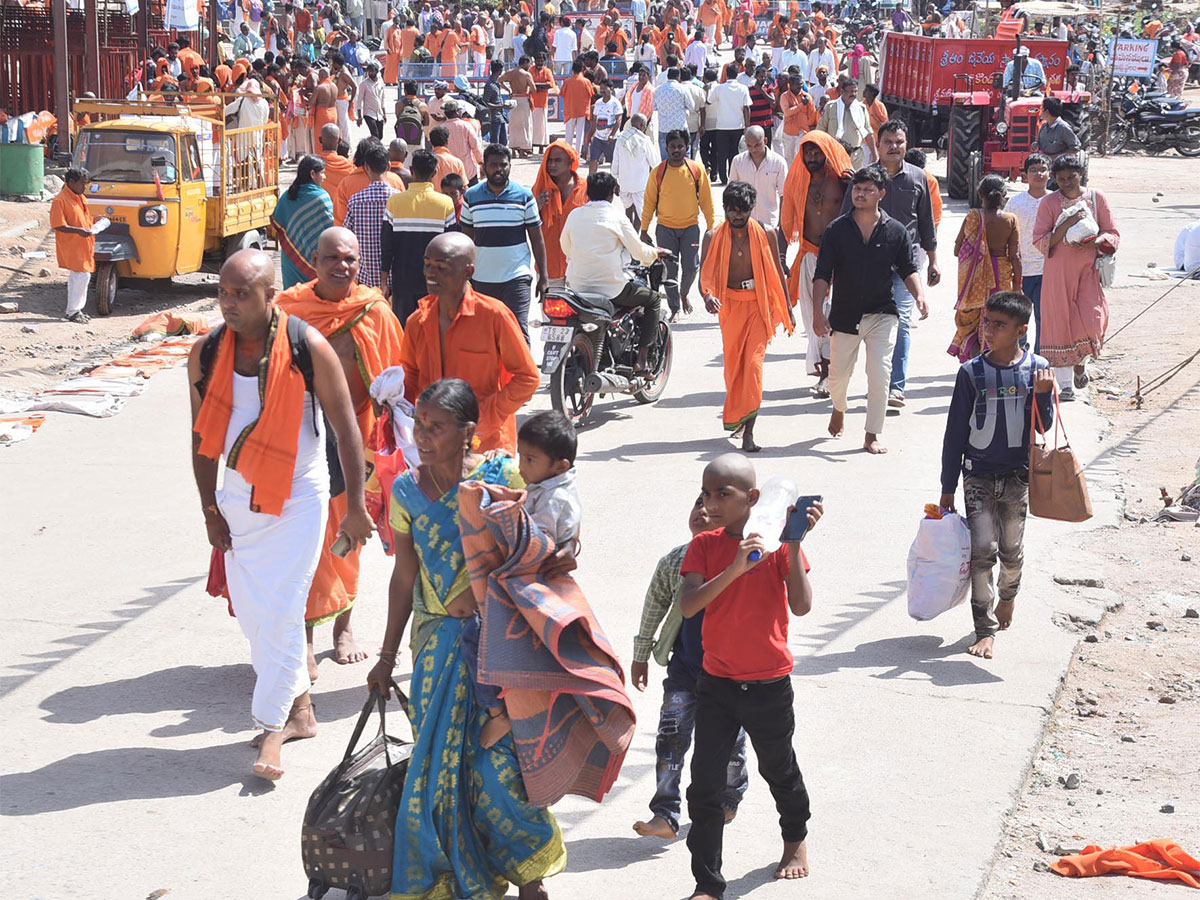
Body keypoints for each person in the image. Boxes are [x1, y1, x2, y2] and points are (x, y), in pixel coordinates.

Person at [366, 379, 566, 900]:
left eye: (437, 427)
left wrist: (565, 546)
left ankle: (530, 875)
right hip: (436, 644)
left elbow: (549, 516)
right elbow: (403, 577)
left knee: (501, 766)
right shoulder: (406, 491)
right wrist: (386, 656)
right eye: (420, 425)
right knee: (440, 768)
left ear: (468, 431)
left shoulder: (502, 474)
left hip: (498, 643)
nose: (424, 436)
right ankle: (452, 877)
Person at [189, 249, 373, 779]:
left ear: (272, 295)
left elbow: (346, 431)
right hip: (238, 501)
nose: (229, 303)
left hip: (299, 499)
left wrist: (357, 507)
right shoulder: (205, 352)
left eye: (242, 293)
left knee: (285, 609)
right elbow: (202, 441)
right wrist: (209, 510)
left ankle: (273, 728)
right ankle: (303, 713)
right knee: (254, 616)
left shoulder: (307, 346)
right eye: (223, 292)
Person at [679, 453, 815, 900]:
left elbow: (801, 605)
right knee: (705, 782)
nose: (712, 502)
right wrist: (735, 567)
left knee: (779, 768)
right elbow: (689, 605)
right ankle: (707, 883)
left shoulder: (774, 544)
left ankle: (795, 838)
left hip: (769, 684)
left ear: (753, 498)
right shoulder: (705, 545)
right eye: (706, 492)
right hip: (717, 683)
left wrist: (792, 545)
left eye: (724, 493)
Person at [274, 227, 405, 676]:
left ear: (359, 263)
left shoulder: (374, 312)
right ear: (314, 260)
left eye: (349, 258)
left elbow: (397, 379)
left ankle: (343, 628)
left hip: (359, 436)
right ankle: (303, 637)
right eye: (332, 257)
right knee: (304, 538)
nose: (341, 266)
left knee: (352, 534)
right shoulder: (289, 309)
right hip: (303, 435)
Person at [939, 291, 1055, 660]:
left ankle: (1008, 598)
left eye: (999, 325)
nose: (988, 330)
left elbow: (1045, 425)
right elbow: (955, 432)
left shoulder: (1038, 368)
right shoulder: (970, 373)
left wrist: (1042, 394)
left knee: (1012, 552)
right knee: (981, 555)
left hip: (1018, 477)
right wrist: (947, 486)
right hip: (977, 476)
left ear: (1021, 330)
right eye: (987, 322)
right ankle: (984, 628)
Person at [630, 493, 751, 841]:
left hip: (729, 675)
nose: (702, 511)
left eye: (712, 507)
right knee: (671, 738)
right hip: (684, 671)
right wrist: (641, 653)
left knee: (730, 745)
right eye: (697, 503)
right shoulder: (675, 560)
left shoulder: (743, 561)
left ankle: (730, 795)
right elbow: (654, 604)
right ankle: (665, 813)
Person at [813, 165, 926, 455]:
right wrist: (817, 313)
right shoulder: (836, 231)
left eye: (867, 190)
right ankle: (839, 407)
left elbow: (907, 268)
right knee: (838, 377)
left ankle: (871, 434)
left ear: (881, 194)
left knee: (880, 374)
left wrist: (920, 295)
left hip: (882, 314)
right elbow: (823, 274)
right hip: (845, 315)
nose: (860, 194)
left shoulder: (896, 231)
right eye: (857, 189)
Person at [399, 233, 540, 452]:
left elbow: (527, 378)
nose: (430, 273)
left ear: (468, 272)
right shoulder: (417, 321)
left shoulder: (494, 315)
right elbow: (410, 376)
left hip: (486, 446)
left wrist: (485, 416)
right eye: (427, 264)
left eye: (441, 267)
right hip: (433, 448)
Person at [699, 181, 792, 452]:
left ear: (752, 209)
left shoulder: (767, 233)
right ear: (725, 209)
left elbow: (777, 271)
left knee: (752, 367)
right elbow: (704, 277)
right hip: (730, 307)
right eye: (732, 210)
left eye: (743, 211)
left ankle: (750, 431)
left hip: (759, 306)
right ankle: (740, 416)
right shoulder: (712, 236)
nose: (738, 216)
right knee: (733, 370)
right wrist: (707, 297)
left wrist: (786, 308)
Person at [851, 120, 938, 409]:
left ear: (906, 144)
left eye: (899, 142)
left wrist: (933, 261)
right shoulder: (866, 178)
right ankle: (878, 382)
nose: (894, 147)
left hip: (905, 265)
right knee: (871, 327)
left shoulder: (917, 177)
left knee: (900, 323)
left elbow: (925, 222)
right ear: (878, 144)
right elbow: (845, 221)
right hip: (869, 265)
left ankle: (895, 387)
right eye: (888, 141)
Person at [561, 172, 670, 369]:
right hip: (611, 290)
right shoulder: (616, 217)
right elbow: (639, 252)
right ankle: (643, 357)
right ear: (612, 194)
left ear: (588, 193)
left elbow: (565, 247)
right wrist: (655, 253)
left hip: (577, 288)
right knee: (653, 299)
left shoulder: (574, 215)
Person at [1032, 154, 1119, 400]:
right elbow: (1040, 240)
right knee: (1060, 323)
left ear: (1081, 174)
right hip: (1057, 272)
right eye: (1061, 179)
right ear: (1054, 179)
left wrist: (1096, 241)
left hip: (1087, 270)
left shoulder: (1095, 197)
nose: (1067, 182)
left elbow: (1112, 233)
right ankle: (1066, 385)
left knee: (1094, 318)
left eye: (1072, 177)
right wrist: (1069, 222)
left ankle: (1081, 361)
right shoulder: (1049, 203)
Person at [779, 132, 851, 396]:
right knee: (812, 318)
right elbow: (785, 222)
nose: (811, 157)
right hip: (809, 256)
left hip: (840, 258)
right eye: (807, 152)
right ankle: (824, 372)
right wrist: (780, 258)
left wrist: (853, 187)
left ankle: (831, 373)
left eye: (816, 151)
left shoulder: (843, 181)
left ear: (826, 151)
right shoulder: (797, 181)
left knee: (834, 315)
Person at [460, 144, 548, 341]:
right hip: (481, 279)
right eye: (493, 165)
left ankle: (524, 373)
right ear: (485, 167)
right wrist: (463, 276)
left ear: (510, 166)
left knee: (517, 334)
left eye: (503, 165)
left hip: (516, 278)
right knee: (483, 337)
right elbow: (465, 240)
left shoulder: (525, 197)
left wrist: (544, 276)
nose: (498, 169)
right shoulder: (471, 197)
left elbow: (537, 238)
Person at [641, 129, 715, 322]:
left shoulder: (696, 170)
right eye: (672, 146)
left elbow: (706, 200)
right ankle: (675, 308)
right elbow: (649, 201)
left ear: (686, 147)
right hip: (665, 229)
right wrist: (644, 228)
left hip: (690, 228)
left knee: (691, 268)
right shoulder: (658, 172)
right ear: (666, 148)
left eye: (680, 146)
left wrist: (711, 226)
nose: (676, 150)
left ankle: (684, 293)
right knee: (670, 271)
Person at [949, 175, 1021, 362]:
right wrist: (1018, 286)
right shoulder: (1010, 219)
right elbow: (1015, 256)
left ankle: (976, 365)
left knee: (973, 324)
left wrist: (978, 255)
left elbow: (958, 250)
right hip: (1002, 277)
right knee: (998, 321)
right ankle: (996, 362)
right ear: (1004, 195)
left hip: (974, 281)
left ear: (980, 194)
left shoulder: (973, 217)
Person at [382, 148, 458, 324]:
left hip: (402, 279)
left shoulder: (394, 202)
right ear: (434, 173)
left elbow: (387, 245)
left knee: (403, 329)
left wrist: (384, 280)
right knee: (432, 328)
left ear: (411, 170)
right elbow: (452, 245)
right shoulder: (445, 203)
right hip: (434, 280)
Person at [1005, 153, 1050, 354]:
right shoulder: (1015, 203)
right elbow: (1006, 233)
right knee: (1019, 316)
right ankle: (1019, 353)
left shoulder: (1055, 202)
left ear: (1050, 174)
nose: (1038, 174)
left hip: (1047, 269)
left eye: (1042, 170)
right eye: (1033, 170)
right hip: (1021, 270)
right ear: (1025, 174)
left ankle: (1040, 357)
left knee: (1044, 317)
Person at [271, 154, 335, 289]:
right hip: (315, 260)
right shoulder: (322, 197)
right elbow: (331, 229)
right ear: (313, 174)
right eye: (322, 173)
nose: (324, 177)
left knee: (293, 300)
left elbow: (277, 222)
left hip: (290, 258)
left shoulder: (287, 195)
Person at [343, 143, 402, 289]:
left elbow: (346, 237)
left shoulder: (355, 201)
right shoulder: (399, 199)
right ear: (388, 166)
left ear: (366, 168)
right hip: (395, 277)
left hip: (365, 277)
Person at [533, 140, 589, 287]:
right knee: (551, 309)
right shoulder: (540, 189)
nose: (552, 165)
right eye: (549, 161)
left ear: (570, 162)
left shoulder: (586, 188)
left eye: (557, 160)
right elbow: (528, 226)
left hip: (579, 267)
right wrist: (536, 207)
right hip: (550, 267)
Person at [49, 167, 98, 325]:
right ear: (70, 182)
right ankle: (73, 311)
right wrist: (79, 231)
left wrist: (96, 221)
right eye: (82, 183)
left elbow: (84, 218)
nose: (85, 187)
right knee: (80, 276)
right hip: (72, 244)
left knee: (81, 277)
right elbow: (58, 225)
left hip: (83, 244)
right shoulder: (60, 200)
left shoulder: (80, 197)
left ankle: (75, 310)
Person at [727, 126, 788, 230]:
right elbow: (730, 194)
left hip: (769, 224)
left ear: (765, 140)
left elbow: (785, 195)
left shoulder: (778, 163)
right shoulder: (738, 162)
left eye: (757, 145)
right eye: (749, 146)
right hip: (743, 225)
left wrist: (780, 226)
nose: (753, 149)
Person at [704, 63, 751, 184]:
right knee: (734, 153)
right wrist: (747, 125)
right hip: (737, 126)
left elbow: (709, 102)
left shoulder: (719, 88)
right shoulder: (743, 88)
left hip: (722, 126)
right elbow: (747, 108)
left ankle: (723, 178)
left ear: (726, 74)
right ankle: (733, 176)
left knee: (722, 153)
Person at [817, 75, 872, 168]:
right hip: (834, 154)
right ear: (842, 91)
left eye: (855, 91)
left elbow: (867, 132)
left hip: (855, 156)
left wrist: (875, 154)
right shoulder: (830, 107)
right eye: (850, 91)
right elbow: (821, 129)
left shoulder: (861, 109)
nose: (853, 94)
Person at [653, 67, 696, 159]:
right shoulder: (682, 89)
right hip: (680, 127)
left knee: (665, 157)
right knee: (685, 155)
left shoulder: (658, 90)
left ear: (668, 76)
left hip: (664, 127)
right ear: (678, 76)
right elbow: (691, 106)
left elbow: (654, 107)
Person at [500, 56, 537, 156]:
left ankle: (513, 150)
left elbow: (500, 80)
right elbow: (534, 89)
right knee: (524, 125)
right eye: (529, 64)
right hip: (523, 99)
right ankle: (522, 150)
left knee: (514, 125)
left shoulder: (510, 72)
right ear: (525, 63)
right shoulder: (526, 74)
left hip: (514, 99)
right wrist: (528, 90)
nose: (529, 66)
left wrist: (509, 90)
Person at [441, 100, 486, 184]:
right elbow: (475, 146)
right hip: (468, 170)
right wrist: (481, 162)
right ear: (457, 112)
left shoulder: (441, 128)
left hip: (448, 170)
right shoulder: (466, 126)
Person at [777, 74, 818, 163]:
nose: (799, 86)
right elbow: (787, 112)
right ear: (790, 85)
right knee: (789, 157)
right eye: (797, 84)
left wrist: (812, 126)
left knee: (802, 157)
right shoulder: (785, 96)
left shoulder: (806, 96)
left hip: (803, 131)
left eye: (801, 84)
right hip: (789, 132)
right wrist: (801, 105)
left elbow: (812, 113)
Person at [586, 79, 624, 176]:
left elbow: (618, 120)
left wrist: (612, 135)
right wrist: (590, 135)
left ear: (611, 89)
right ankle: (591, 180)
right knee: (593, 159)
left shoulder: (615, 103)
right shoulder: (598, 103)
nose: (602, 90)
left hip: (611, 139)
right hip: (598, 137)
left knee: (613, 162)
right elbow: (594, 120)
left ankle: (613, 181)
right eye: (601, 88)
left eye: (604, 88)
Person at [1035, 97, 1080, 170]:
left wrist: (1052, 158)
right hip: (1044, 167)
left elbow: (1075, 149)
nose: (1040, 112)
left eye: (1042, 109)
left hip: (1058, 169)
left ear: (1047, 112)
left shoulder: (1063, 128)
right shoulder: (1044, 126)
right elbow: (1038, 144)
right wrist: (1034, 146)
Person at [316, 123, 357, 201]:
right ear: (339, 141)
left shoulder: (312, 164)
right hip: (342, 209)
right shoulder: (348, 165)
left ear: (320, 140)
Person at [531, 52, 558, 152]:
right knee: (532, 125)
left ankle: (541, 147)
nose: (539, 62)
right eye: (538, 60)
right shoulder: (531, 70)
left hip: (542, 102)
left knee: (542, 126)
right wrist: (539, 86)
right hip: (533, 102)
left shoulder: (547, 71)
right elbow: (529, 83)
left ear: (544, 61)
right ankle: (531, 146)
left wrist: (539, 86)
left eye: (541, 61)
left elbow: (551, 84)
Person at [355, 61, 387, 139]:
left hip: (379, 113)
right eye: (369, 71)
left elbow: (382, 98)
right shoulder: (364, 84)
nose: (371, 73)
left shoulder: (380, 82)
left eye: (372, 71)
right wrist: (359, 117)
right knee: (375, 134)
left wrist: (384, 113)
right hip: (369, 113)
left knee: (380, 136)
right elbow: (359, 101)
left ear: (376, 71)